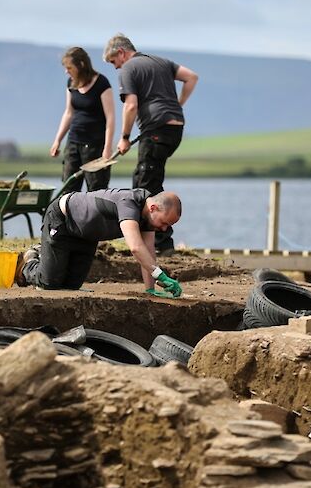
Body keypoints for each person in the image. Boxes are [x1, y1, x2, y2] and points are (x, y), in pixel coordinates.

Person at [102, 33, 199, 255]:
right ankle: (153, 241)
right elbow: (191, 77)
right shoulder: (160, 62)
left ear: (121, 53)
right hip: (175, 129)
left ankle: (161, 244)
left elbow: (130, 106)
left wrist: (125, 136)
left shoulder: (129, 68)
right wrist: (177, 105)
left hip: (155, 129)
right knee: (150, 179)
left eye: (114, 63)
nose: (117, 68)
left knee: (145, 186)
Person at [16, 188, 183, 298]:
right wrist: (160, 275)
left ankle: (46, 255)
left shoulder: (148, 218)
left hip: (87, 236)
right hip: (63, 221)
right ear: (153, 208)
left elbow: (148, 251)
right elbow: (135, 247)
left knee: (70, 287)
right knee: (49, 284)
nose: (164, 228)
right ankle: (28, 263)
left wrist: (151, 290)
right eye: (165, 222)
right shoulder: (129, 203)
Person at [50, 47, 116, 193]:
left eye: (69, 68)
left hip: (95, 145)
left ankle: (97, 216)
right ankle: (70, 216)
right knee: (69, 188)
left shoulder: (101, 83)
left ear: (81, 64)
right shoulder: (71, 83)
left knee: (96, 189)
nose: (66, 71)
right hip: (73, 143)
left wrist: (107, 148)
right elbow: (69, 113)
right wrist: (57, 140)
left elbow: (110, 117)